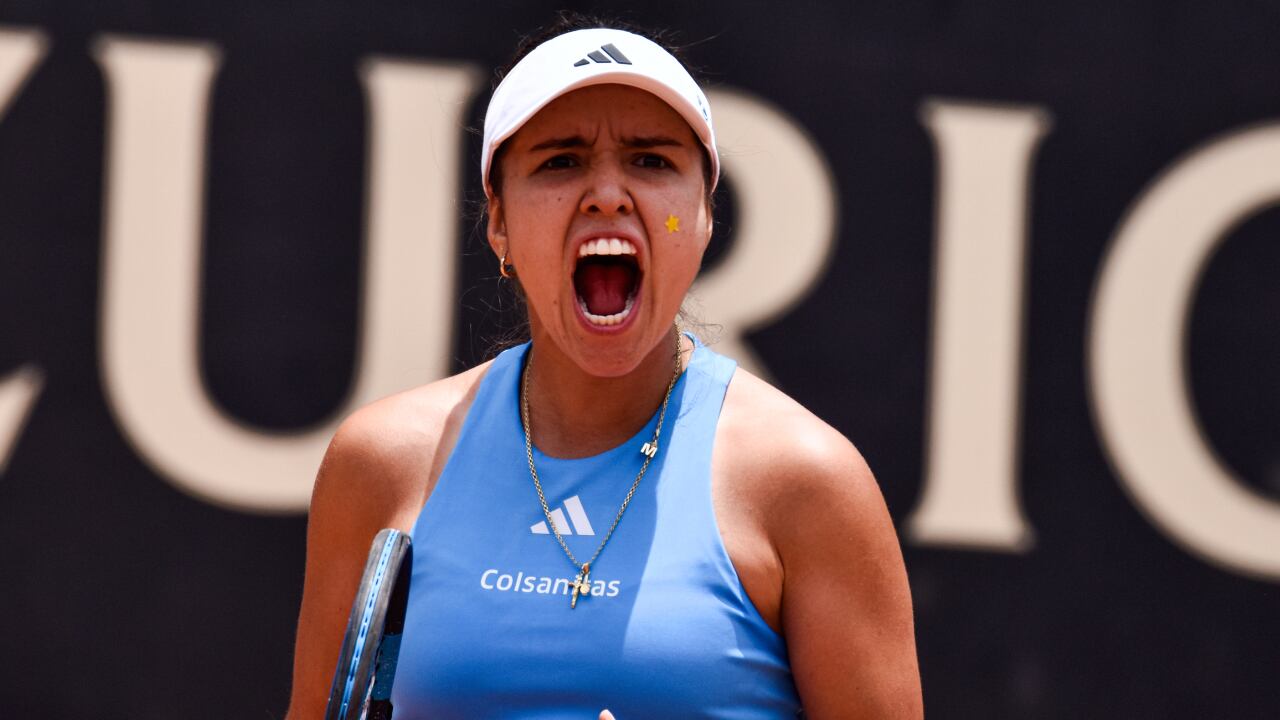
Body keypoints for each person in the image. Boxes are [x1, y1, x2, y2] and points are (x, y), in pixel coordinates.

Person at [286, 15, 922, 719]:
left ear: (705, 216)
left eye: (652, 161)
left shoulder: (809, 483)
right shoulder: (379, 464)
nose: (609, 195)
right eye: (560, 161)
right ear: (498, 220)